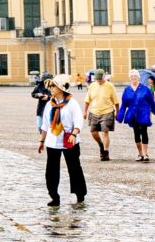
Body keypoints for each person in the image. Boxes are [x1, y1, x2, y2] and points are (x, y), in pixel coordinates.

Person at [37, 76, 86, 206]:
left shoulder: (72, 103)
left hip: (69, 139)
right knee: (51, 170)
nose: (51, 88)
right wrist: (41, 141)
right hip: (53, 141)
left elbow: (78, 121)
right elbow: (45, 125)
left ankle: (79, 193)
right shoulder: (49, 104)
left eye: (53, 86)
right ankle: (54, 196)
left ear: (60, 88)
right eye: (51, 86)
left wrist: (74, 134)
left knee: (74, 167)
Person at [116, 73, 155, 162]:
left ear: (138, 78)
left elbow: (152, 103)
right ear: (130, 78)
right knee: (136, 133)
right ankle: (140, 153)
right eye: (132, 77)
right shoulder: (127, 90)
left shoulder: (145, 89)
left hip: (144, 114)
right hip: (132, 115)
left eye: (135, 77)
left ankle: (145, 154)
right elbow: (124, 105)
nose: (134, 78)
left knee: (144, 132)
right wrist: (120, 117)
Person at [84, 71, 117, 160]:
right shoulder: (92, 86)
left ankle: (105, 152)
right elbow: (87, 100)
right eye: (97, 80)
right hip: (94, 112)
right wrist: (85, 112)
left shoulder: (110, 86)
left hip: (107, 111)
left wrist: (117, 112)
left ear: (104, 77)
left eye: (101, 79)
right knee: (93, 132)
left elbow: (116, 101)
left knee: (105, 132)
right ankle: (101, 145)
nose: (99, 81)